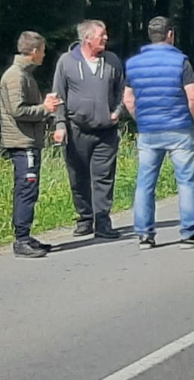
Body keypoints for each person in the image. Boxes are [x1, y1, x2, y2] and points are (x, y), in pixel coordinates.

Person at [123, 17, 194, 250]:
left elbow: (128, 98)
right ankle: (189, 233)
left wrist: (140, 119)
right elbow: (193, 97)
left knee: (145, 183)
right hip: (179, 128)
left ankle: (145, 235)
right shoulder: (180, 61)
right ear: (170, 34)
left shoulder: (134, 64)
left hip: (148, 131)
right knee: (186, 181)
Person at [51, 20, 125, 239]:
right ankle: (84, 218)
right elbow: (58, 95)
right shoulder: (66, 62)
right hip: (76, 131)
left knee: (104, 178)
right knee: (78, 177)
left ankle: (102, 222)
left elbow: (122, 89)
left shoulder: (112, 61)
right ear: (87, 38)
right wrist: (60, 125)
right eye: (101, 35)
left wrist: (118, 112)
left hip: (106, 131)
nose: (105, 38)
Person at [1, 32, 61, 258]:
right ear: (34, 51)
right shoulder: (16, 76)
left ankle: (25, 235)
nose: (44, 55)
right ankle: (21, 239)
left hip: (27, 141)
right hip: (22, 142)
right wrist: (45, 108)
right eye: (43, 50)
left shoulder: (24, 75)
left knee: (29, 189)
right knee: (26, 189)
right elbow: (18, 110)